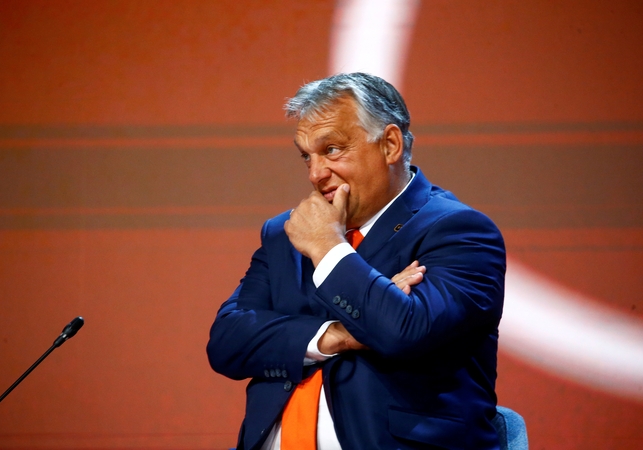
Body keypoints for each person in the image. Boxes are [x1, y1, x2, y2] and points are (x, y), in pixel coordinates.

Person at [207, 72, 506, 450]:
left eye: (332, 149)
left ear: (390, 145)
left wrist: (328, 248)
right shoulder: (287, 233)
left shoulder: (459, 231)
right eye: (306, 156)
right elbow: (227, 341)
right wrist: (339, 335)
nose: (315, 174)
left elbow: (404, 331)